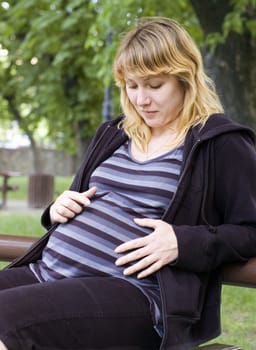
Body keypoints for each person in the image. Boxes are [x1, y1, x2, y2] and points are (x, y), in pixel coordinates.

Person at [0, 16, 256, 350]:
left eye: (154, 85)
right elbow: (77, 199)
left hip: (131, 293)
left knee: (5, 321)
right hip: (48, 270)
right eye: (132, 86)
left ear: (185, 78)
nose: (141, 99)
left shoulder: (220, 143)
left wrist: (183, 242)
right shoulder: (113, 133)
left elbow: (250, 229)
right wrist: (57, 208)